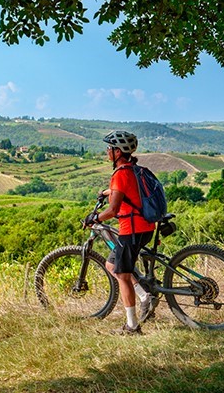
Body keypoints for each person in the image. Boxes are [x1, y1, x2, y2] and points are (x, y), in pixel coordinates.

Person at [84, 131, 158, 335]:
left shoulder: (120, 173)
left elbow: (113, 210)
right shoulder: (132, 169)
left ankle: (132, 326)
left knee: (122, 274)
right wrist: (108, 192)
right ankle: (145, 296)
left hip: (132, 230)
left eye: (109, 148)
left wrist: (95, 218)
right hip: (144, 227)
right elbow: (128, 191)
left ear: (118, 152)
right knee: (111, 265)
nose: (107, 151)